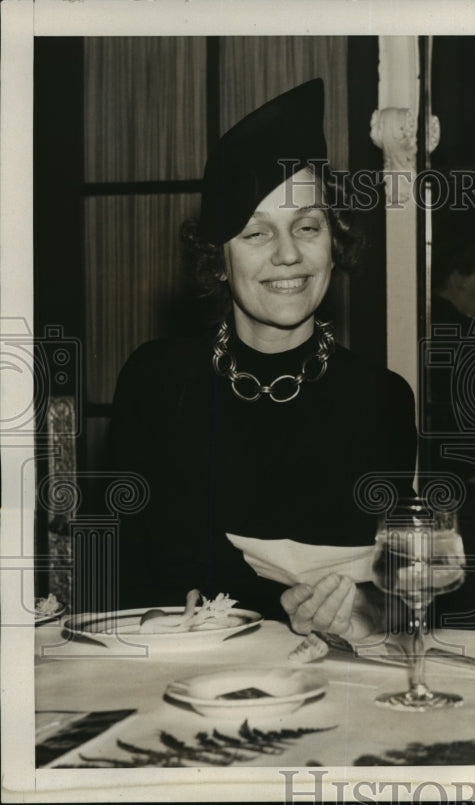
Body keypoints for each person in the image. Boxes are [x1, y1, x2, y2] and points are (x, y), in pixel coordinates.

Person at [110, 79, 416, 639]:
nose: (288, 254)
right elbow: (118, 579)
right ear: (218, 261)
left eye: (307, 226)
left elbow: (404, 594)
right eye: (256, 232)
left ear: (334, 241)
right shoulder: (155, 383)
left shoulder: (383, 398)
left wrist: (366, 611)